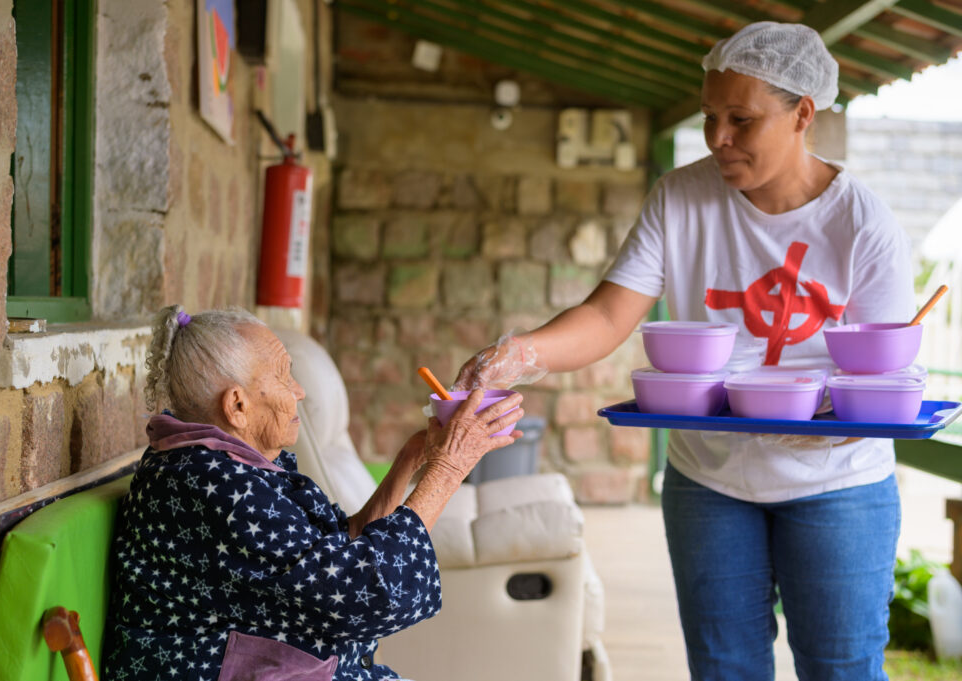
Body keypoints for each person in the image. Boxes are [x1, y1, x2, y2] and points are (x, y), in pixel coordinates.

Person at [454, 22, 913, 681]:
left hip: (838, 482)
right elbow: (609, 313)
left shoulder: (863, 223)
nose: (718, 137)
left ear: (802, 114)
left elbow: (879, 374)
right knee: (724, 669)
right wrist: (520, 352)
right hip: (711, 477)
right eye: (709, 116)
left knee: (841, 669)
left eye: (741, 119)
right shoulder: (681, 196)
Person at [103, 305, 524, 681]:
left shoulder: (232, 465)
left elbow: (340, 548)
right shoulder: (211, 484)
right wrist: (450, 468)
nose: (299, 391)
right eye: (285, 375)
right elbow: (362, 592)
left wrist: (415, 456)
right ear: (237, 406)